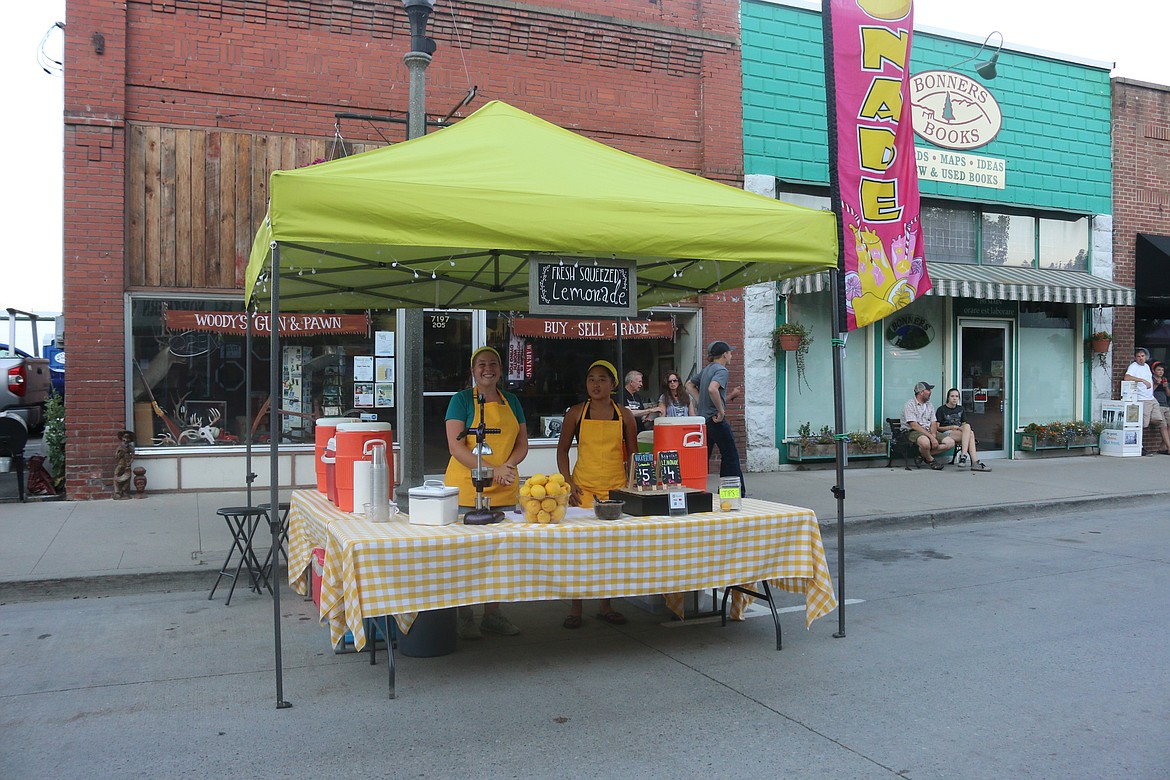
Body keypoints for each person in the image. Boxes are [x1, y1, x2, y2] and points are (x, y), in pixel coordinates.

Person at [444, 346, 528, 638]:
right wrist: (492, 470)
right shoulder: (461, 401)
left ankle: (492, 614)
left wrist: (508, 465)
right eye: (481, 364)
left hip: (503, 492)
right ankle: (464, 614)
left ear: (501, 370)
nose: (487, 368)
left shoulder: (513, 401)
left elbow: (522, 443)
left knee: (498, 558)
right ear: (472, 370)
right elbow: (456, 447)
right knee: (466, 557)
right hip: (468, 491)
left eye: (493, 363)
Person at [556, 359, 638, 629]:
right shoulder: (576, 413)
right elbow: (562, 450)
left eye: (602, 379)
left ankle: (606, 605)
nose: (596, 384)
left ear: (613, 384)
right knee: (578, 551)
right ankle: (575, 607)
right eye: (591, 379)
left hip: (615, 491)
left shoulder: (624, 414)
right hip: (584, 491)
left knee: (610, 551)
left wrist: (633, 484)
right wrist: (568, 484)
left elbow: (635, 455)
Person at [695, 341, 746, 495]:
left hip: (704, 420)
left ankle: (695, 490)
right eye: (730, 352)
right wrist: (721, 411)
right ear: (724, 354)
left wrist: (700, 402)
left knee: (703, 457)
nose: (731, 355)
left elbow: (689, 385)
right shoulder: (721, 370)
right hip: (716, 419)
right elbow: (712, 389)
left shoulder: (706, 370)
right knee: (730, 455)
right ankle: (732, 494)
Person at [1123, 347, 1170, 455]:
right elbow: (1127, 377)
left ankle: (1147, 422)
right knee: (1142, 424)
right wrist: (1142, 380)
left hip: (1151, 398)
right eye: (1138, 356)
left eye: (1142, 356)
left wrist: (1155, 383)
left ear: (1146, 357)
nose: (1141, 358)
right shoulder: (1133, 366)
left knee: (1159, 419)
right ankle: (1140, 446)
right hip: (1142, 399)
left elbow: (1150, 381)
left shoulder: (1147, 367)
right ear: (1135, 358)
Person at [900, 381, 955, 470]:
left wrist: (933, 434)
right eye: (928, 390)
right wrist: (932, 438)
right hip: (913, 432)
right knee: (926, 443)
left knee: (950, 443)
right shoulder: (909, 405)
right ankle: (930, 460)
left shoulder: (929, 405)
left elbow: (933, 422)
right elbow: (914, 425)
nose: (930, 392)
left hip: (928, 431)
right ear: (921, 392)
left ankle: (922, 455)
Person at [936, 388, 991, 472]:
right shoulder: (941, 409)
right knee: (971, 434)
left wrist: (961, 428)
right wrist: (950, 427)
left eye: (957, 396)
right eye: (952, 396)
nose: (954, 398)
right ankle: (973, 462)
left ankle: (963, 456)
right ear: (948, 398)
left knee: (968, 428)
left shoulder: (961, 409)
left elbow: (963, 424)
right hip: (947, 433)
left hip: (959, 432)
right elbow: (937, 427)